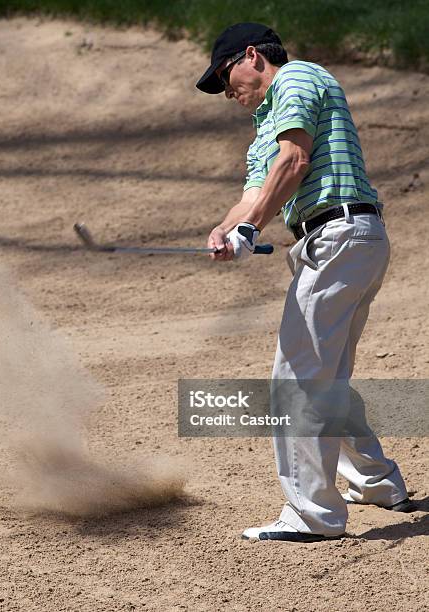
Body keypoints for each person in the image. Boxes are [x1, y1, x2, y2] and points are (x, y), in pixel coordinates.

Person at [196, 22, 415, 542]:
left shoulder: (295, 78)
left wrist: (250, 228)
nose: (228, 92)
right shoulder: (265, 124)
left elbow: (294, 161)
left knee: (294, 380)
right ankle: (377, 484)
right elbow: (256, 192)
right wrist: (226, 229)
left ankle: (312, 516)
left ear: (252, 56)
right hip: (346, 242)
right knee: (325, 379)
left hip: (339, 235)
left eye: (227, 77)